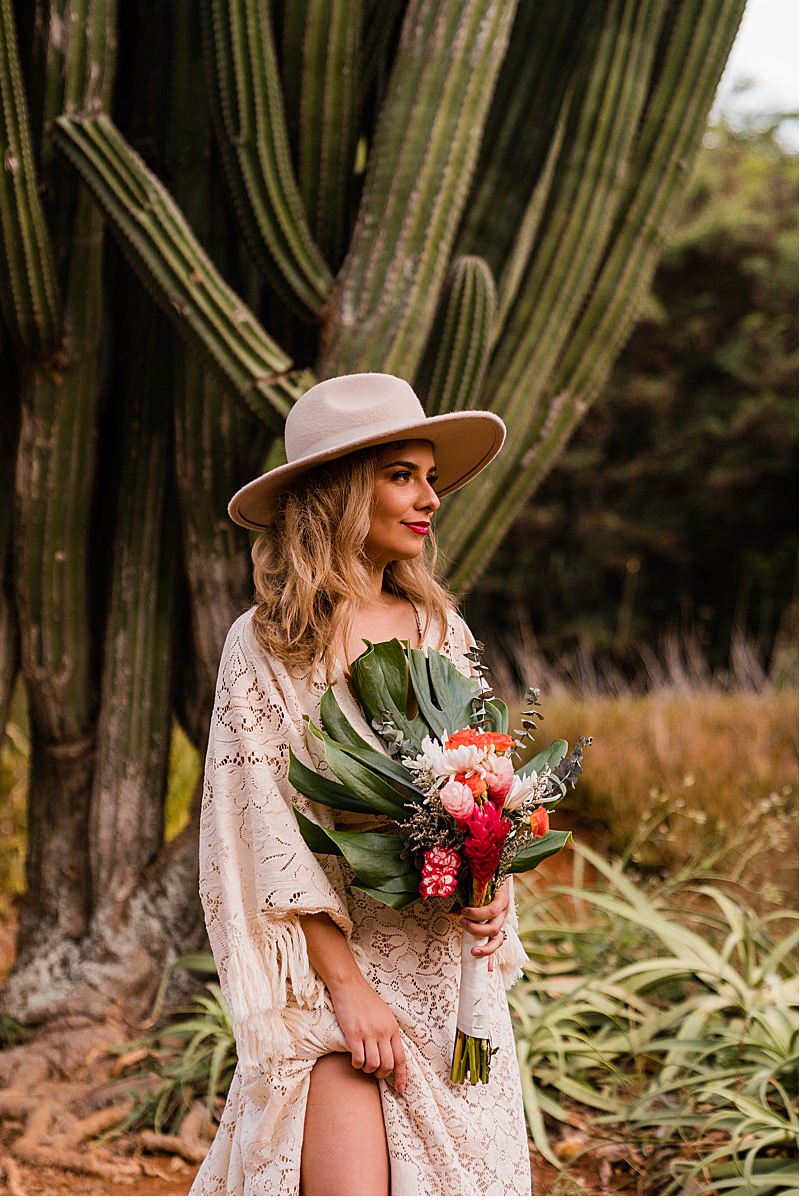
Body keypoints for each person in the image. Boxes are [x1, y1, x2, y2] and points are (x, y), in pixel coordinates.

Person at [191, 372, 531, 1194]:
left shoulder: (443, 629)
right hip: (331, 983)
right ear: (343, 492)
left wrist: (492, 881)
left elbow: (480, 779)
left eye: (431, 478)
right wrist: (345, 990)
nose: (429, 499)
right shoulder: (266, 644)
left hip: (449, 976)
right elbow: (257, 827)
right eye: (401, 475)